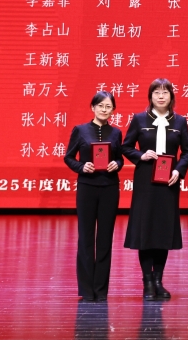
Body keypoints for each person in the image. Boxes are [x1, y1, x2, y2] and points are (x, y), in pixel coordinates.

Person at [121, 79, 188, 301]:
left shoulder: (180, 121)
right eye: (156, 92)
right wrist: (140, 155)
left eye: (165, 92)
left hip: (169, 182)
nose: (161, 96)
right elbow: (126, 146)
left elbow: (187, 152)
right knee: (146, 229)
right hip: (145, 181)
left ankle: (159, 281)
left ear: (171, 96)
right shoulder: (139, 119)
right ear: (150, 96)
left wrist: (179, 171)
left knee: (163, 230)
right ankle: (147, 283)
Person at [64, 91, 123, 302]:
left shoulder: (116, 133)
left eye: (108, 107)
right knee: (86, 237)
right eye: (100, 106)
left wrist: (117, 164)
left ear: (113, 110)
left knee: (105, 239)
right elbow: (69, 157)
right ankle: (87, 290)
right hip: (87, 188)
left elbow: (119, 159)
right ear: (93, 107)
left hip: (109, 188)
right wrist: (82, 167)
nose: (104, 110)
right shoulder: (80, 130)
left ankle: (101, 289)